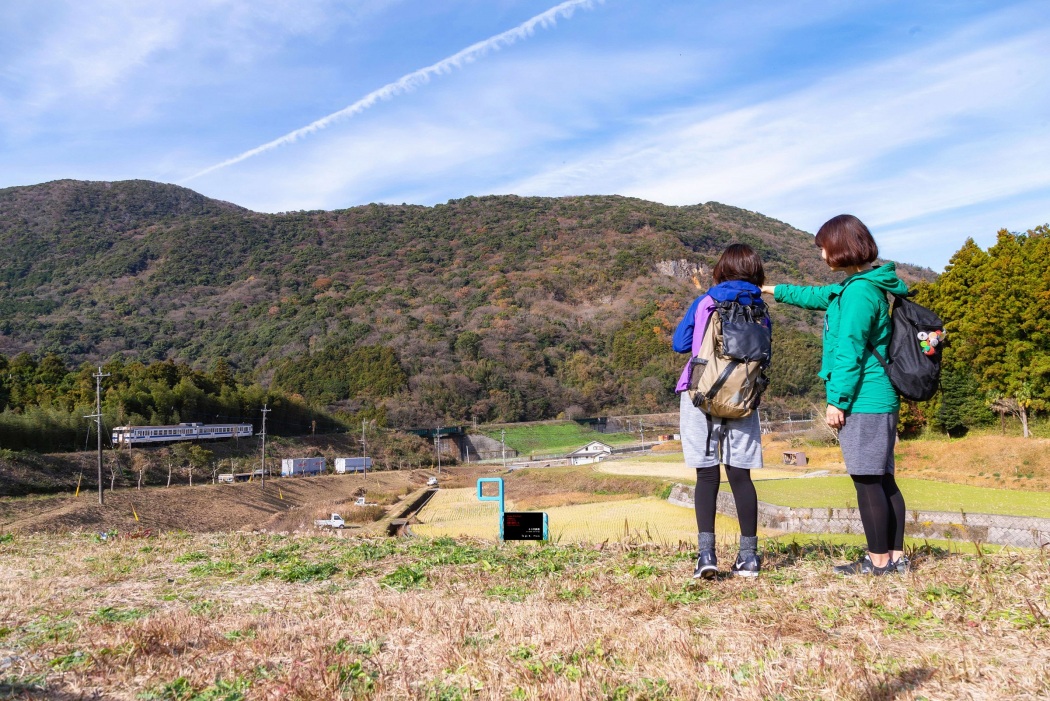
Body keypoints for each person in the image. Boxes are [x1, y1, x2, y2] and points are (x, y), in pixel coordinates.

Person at [761, 214, 910, 575]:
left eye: (824, 247)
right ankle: (894, 558)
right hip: (879, 398)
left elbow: (850, 350)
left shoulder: (858, 292)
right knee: (881, 477)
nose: (822, 254)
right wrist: (770, 289)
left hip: (864, 398)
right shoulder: (860, 285)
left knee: (866, 478)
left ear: (842, 247)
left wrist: (837, 401)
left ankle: (878, 563)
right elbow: (814, 295)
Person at [673, 243, 767, 579]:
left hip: (701, 393)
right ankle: (749, 558)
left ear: (722, 268)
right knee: (740, 474)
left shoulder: (706, 301)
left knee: (707, 473)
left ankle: (707, 556)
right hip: (743, 396)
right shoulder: (760, 308)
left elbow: (680, 344)